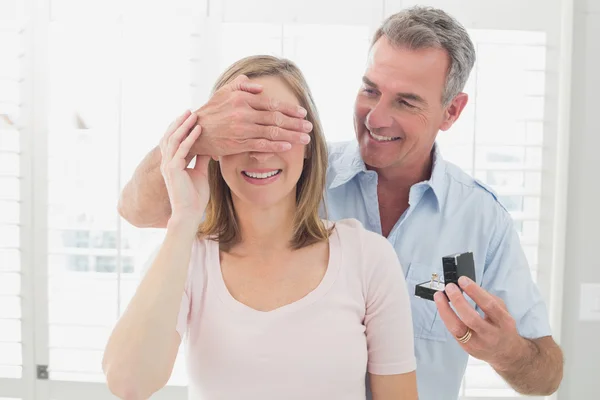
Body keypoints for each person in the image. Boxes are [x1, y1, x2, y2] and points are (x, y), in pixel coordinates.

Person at [117, 6, 564, 400]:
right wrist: (197, 132)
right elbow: (140, 210)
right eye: (370, 90)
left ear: (452, 111)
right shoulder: (277, 176)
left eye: (406, 101)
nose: (376, 117)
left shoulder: (480, 221)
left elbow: (546, 375)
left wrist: (505, 350)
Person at [102, 55, 418, 400]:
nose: (261, 151)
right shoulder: (186, 256)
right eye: (243, 132)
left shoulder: (367, 257)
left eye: (280, 129)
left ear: (309, 144)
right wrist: (183, 220)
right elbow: (128, 383)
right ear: (215, 147)